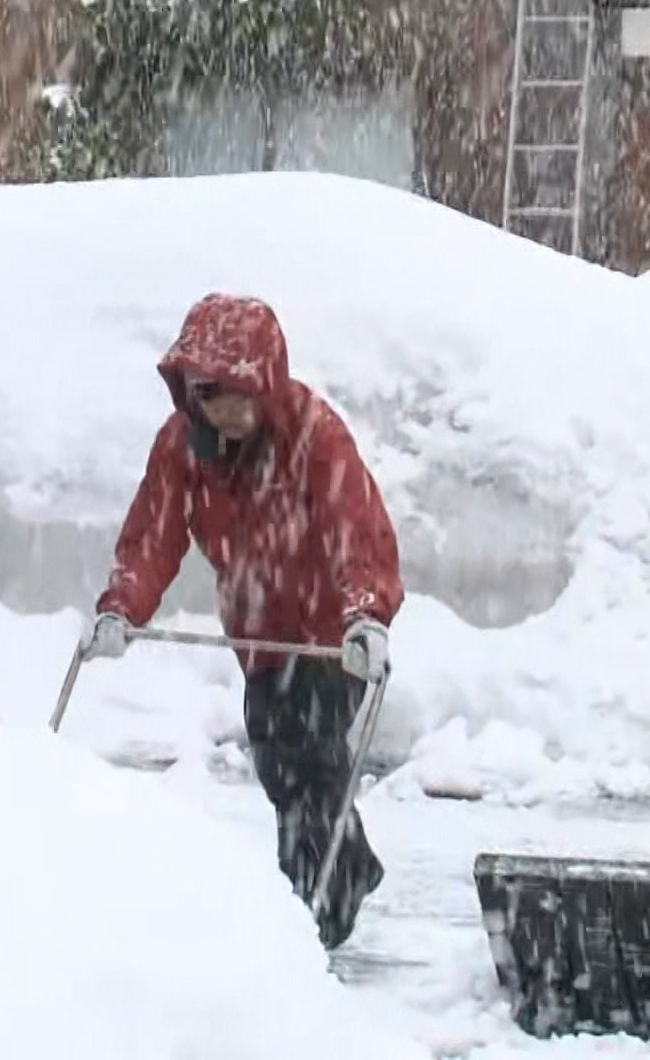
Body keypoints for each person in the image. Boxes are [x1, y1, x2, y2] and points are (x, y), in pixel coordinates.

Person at [79, 292, 404, 950]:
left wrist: (364, 615)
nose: (223, 409)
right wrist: (122, 605)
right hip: (259, 632)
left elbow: (353, 529)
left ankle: (322, 904)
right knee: (277, 764)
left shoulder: (315, 435)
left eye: (236, 394)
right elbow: (154, 536)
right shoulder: (181, 449)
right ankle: (345, 871)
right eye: (207, 393)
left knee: (312, 756)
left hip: (331, 632)